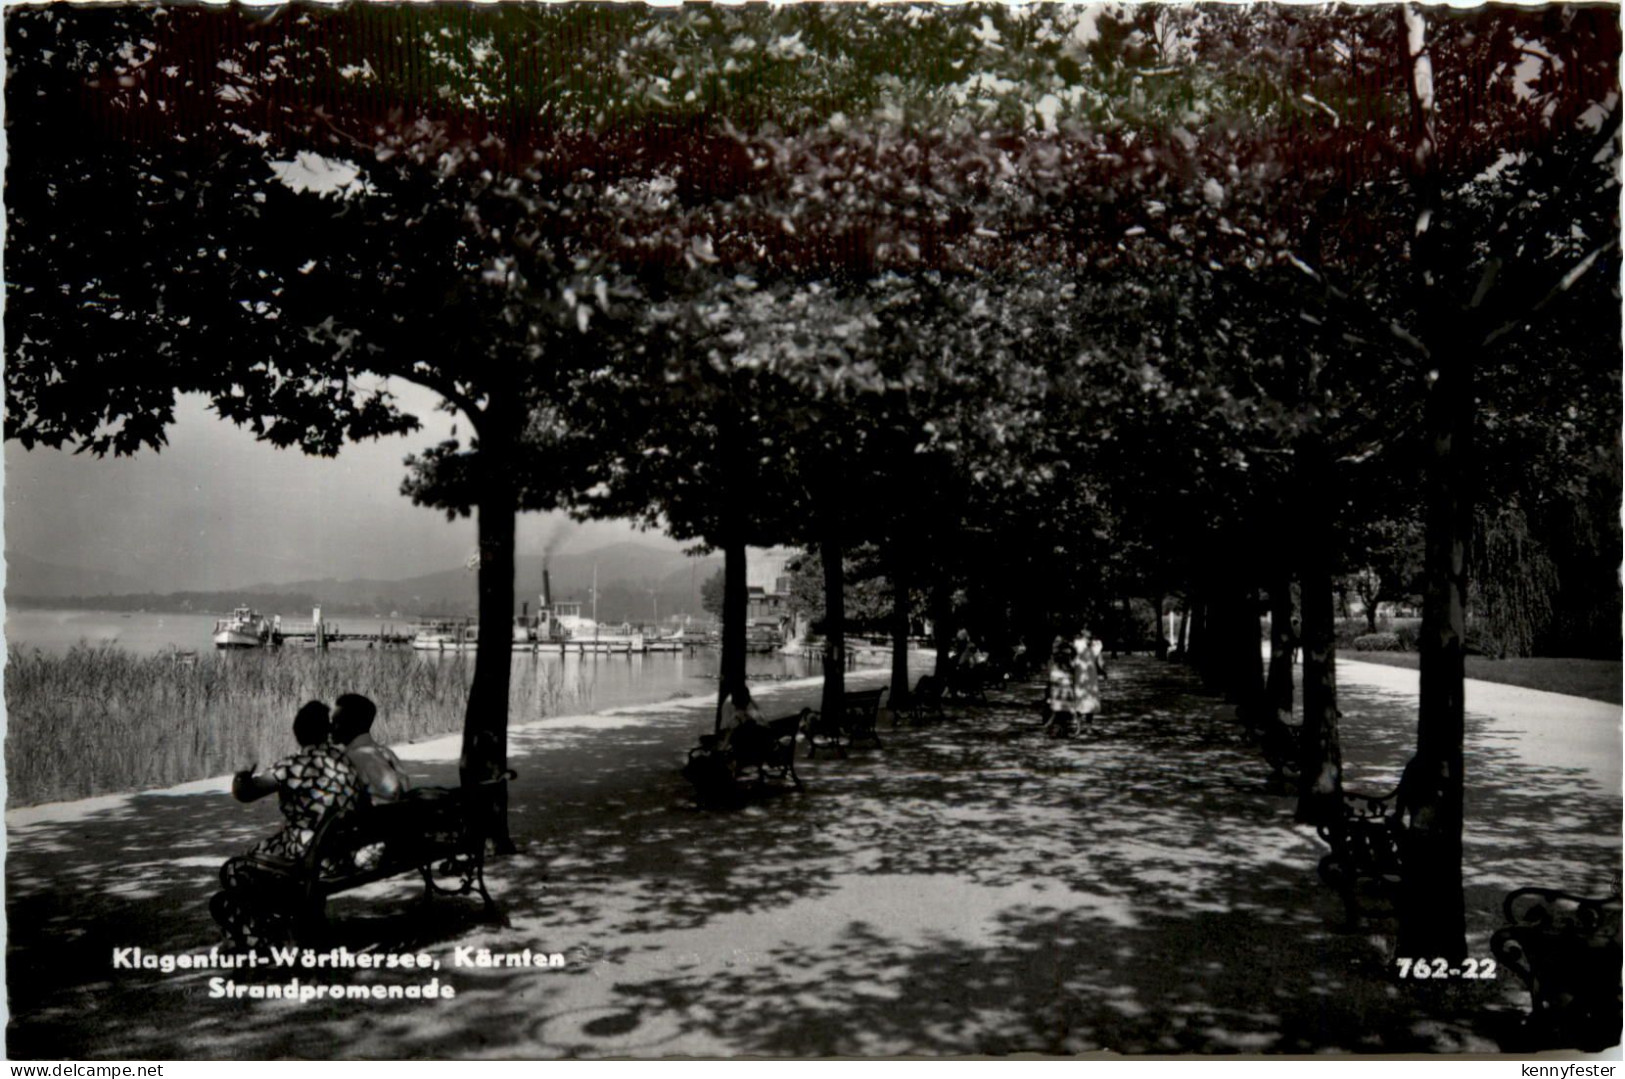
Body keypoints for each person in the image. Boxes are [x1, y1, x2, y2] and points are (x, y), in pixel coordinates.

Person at [210, 700, 362, 946]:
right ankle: (304, 918)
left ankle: (254, 933)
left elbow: (246, 793)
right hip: (343, 852)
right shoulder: (345, 761)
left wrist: (242, 773)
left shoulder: (292, 766)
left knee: (242, 867)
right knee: (287, 856)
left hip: (310, 854)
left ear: (298, 733)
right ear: (327, 732)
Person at [332, 692, 410, 806]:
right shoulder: (386, 752)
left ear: (352, 725)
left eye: (336, 722)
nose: (330, 727)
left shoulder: (354, 758)